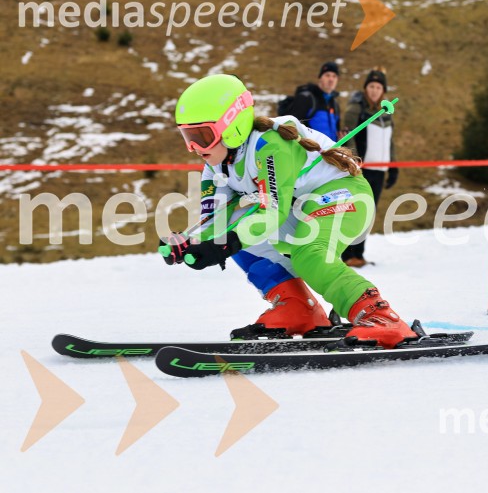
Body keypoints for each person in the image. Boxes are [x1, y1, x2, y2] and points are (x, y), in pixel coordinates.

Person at [161, 73, 416, 349]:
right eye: (187, 137)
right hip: (302, 208)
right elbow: (215, 218)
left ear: (232, 126)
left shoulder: (269, 145)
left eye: (202, 136)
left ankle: (379, 315)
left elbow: (272, 213)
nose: (195, 148)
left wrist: (224, 245)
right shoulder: (214, 167)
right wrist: (190, 242)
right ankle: (297, 307)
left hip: (344, 195)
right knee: (231, 232)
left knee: (308, 253)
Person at [341, 68, 398, 267]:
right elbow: (347, 136)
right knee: (356, 211)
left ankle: (358, 253)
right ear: (366, 88)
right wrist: (354, 162)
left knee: (369, 213)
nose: (374, 90)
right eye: (371, 86)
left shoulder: (385, 113)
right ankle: (347, 254)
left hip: (379, 170)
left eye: (378, 87)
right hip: (362, 169)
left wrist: (393, 165)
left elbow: (389, 141)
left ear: (383, 90)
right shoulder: (356, 108)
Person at [282, 61, 341, 142]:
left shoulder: (335, 104)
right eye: (327, 75)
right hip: (309, 152)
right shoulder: (306, 98)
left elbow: (336, 132)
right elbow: (291, 126)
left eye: (334, 76)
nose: (331, 79)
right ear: (320, 77)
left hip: (329, 152)